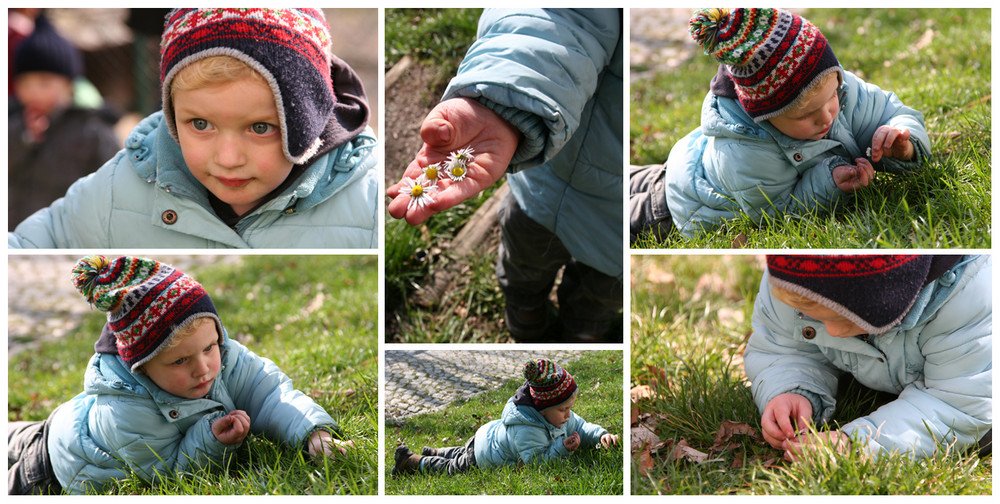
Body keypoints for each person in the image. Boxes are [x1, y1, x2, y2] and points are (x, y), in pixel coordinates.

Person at [9, 8, 378, 248]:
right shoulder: (123, 186)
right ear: (171, 115)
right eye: (200, 124)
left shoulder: (368, 202)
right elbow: (32, 245)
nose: (228, 159)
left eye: (261, 127)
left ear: (308, 119)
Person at [7, 255, 353, 495]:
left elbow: (269, 392)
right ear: (141, 367)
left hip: (65, 420)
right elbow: (167, 472)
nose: (202, 367)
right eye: (179, 361)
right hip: (54, 467)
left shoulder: (226, 357)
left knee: (19, 435)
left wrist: (313, 434)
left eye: (209, 347)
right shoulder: (127, 411)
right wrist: (213, 440)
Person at [385, 8, 624, 343]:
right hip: (541, 187)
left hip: (622, 218)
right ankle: (526, 324)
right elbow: (557, 12)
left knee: (602, 293)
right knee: (522, 268)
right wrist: (503, 102)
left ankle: (583, 334)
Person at [630, 8, 930, 240]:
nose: (827, 115)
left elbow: (892, 111)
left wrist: (904, 143)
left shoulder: (840, 89)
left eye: (832, 96)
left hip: (686, 163)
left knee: (623, 178)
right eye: (806, 115)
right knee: (611, 209)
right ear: (766, 116)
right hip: (675, 205)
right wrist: (828, 185)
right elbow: (772, 214)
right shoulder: (746, 151)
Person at [744, 255, 991, 462]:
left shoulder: (971, 301)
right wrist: (790, 390)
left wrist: (858, 444)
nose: (834, 332)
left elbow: (956, 404)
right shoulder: (790, 282)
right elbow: (781, 347)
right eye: (815, 318)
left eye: (847, 320)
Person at [391, 358, 618, 476]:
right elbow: (537, 463)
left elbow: (583, 426)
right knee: (453, 467)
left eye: (570, 407)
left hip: (484, 437)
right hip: (484, 456)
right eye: (563, 409)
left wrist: (600, 436)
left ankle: (435, 451)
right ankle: (413, 462)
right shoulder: (527, 429)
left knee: (460, 451)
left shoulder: (558, 417)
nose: (569, 415)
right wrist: (562, 449)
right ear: (543, 410)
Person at [8, 13, 121, 229]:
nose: (33, 92)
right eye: (25, 84)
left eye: (44, 83)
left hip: (68, 228)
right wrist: (24, 135)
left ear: (69, 84)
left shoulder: (90, 126)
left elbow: (111, 178)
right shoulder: (12, 118)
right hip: (16, 227)